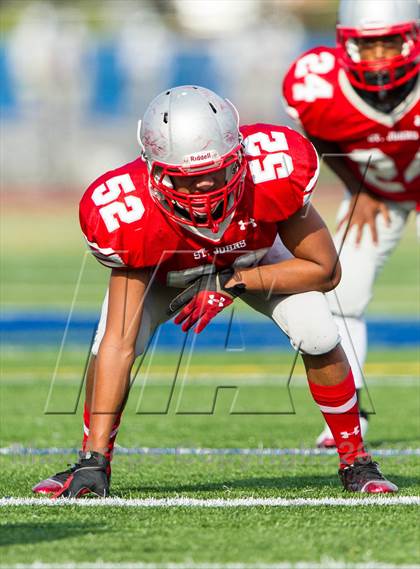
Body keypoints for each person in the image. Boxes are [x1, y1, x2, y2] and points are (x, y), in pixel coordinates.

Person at [33, 85, 397, 498]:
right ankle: (92, 461)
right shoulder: (128, 214)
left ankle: (356, 460)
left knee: (318, 332)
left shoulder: (271, 173)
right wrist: (94, 460)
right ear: (153, 170)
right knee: (111, 340)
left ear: (240, 156)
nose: (205, 188)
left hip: (255, 257)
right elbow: (118, 342)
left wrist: (229, 283)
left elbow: (325, 270)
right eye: (188, 179)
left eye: (217, 172)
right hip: (169, 271)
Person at [282, 0, 419, 448]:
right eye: (368, 46)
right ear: (346, 46)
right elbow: (315, 133)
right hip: (379, 195)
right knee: (340, 294)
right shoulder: (318, 86)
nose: (380, 58)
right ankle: (350, 415)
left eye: (390, 44)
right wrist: (358, 186)